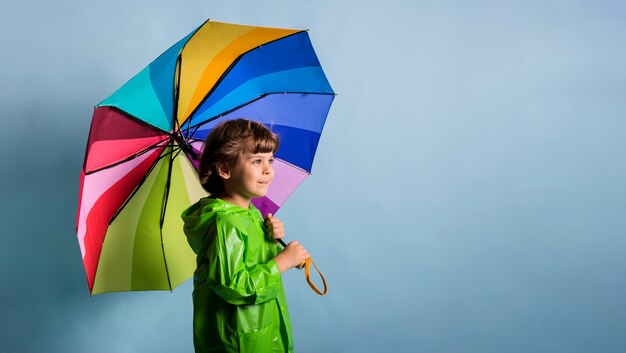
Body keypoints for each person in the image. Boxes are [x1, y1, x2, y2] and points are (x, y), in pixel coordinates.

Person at [181, 118, 310, 353]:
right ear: (225, 169)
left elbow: (252, 260)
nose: (268, 169)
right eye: (257, 160)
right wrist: (281, 262)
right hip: (238, 339)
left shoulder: (249, 212)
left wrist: (270, 240)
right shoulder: (225, 222)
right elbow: (234, 285)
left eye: (270, 160)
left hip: (263, 328)